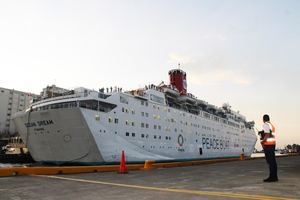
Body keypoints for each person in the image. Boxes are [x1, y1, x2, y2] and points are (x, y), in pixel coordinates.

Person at [260, 114, 278, 182]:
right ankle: (275, 177)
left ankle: (271, 177)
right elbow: (271, 134)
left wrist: (262, 141)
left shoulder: (265, 124)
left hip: (268, 145)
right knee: (273, 162)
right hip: (273, 144)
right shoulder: (271, 125)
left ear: (263, 119)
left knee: (270, 162)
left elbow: (267, 134)